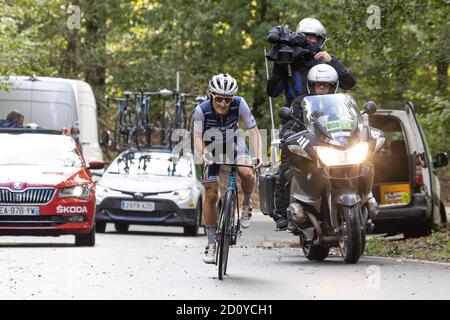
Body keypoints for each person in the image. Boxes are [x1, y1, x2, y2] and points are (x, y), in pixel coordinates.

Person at [193, 74, 262, 264]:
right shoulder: (201, 110)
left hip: (234, 142)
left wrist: (257, 156)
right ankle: (210, 243)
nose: (223, 103)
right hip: (211, 145)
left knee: (246, 171)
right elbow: (197, 137)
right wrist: (204, 153)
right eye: (219, 98)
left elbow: (253, 130)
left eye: (227, 99)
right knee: (211, 193)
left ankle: (246, 204)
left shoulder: (240, 104)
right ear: (210, 96)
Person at [274, 64, 339, 231]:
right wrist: (288, 132)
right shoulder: (300, 102)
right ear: (312, 86)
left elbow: (351, 122)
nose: (322, 88)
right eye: (319, 84)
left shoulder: (338, 103)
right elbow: (291, 123)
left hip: (333, 148)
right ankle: (283, 213)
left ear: (333, 86)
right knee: (287, 169)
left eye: (327, 85)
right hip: (307, 145)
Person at [266, 18, 356, 108]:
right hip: (295, 116)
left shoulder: (326, 59)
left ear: (319, 39)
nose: (307, 40)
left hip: (325, 112)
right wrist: (279, 66)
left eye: (312, 37)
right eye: (304, 37)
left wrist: (332, 62)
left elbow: (349, 84)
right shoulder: (290, 61)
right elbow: (273, 92)